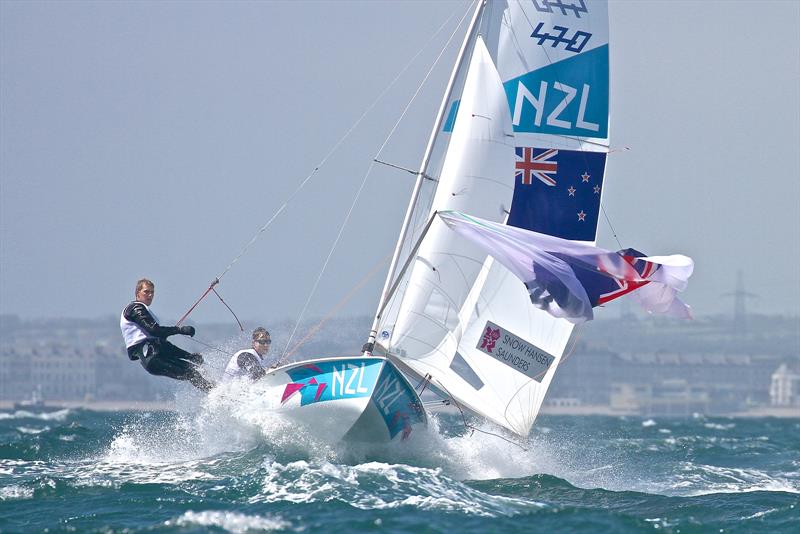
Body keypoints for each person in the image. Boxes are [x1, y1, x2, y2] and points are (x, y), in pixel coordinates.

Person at [120, 278, 214, 392]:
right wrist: (180, 330)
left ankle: (215, 392)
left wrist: (190, 357)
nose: (150, 295)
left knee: (193, 370)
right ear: (137, 293)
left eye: (152, 292)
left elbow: (163, 344)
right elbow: (154, 330)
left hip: (157, 355)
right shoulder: (135, 308)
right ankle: (215, 393)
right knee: (191, 373)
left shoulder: (145, 310)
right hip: (153, 358)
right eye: (146, 291)